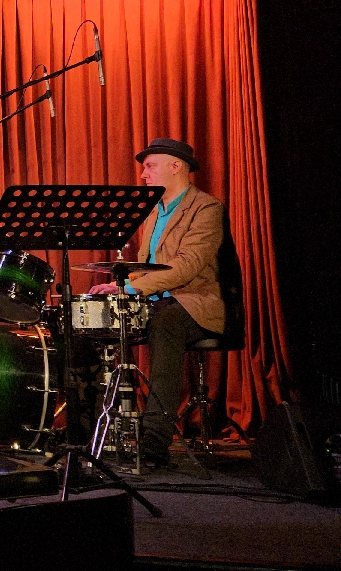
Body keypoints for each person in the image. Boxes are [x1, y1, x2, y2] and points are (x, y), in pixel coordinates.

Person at [88, 138, 225, 466]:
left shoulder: (207, 208)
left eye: (150, 166)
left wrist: (133, 290)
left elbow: (187, 265)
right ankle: (88, 430)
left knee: (165, 323)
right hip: (153, 302)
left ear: (176, 166)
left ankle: (154, 441)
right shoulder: (152, 212)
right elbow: (145, 266)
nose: (143, 174)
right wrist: (118, 285)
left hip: (192, 302)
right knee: (89, 320)